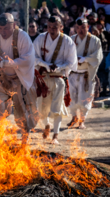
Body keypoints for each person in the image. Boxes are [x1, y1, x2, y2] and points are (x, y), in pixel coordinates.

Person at [0, 13, 38, 144]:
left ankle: (25, 138)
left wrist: (5, 63)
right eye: (0, 28)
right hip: (0, 79)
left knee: (22, 110)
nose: (3, 32)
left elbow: (27, 59)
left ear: (14, 25)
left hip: (19, 79)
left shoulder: (23, 36)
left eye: (6, 28)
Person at [33, 16, 77, 144]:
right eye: (49, 27)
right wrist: (46, 65)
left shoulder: (67, 41)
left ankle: (56, 135)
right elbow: (33, 57)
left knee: (57, 108)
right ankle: (46, 125)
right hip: (43, 79)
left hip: (58, 79)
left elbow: (72, 62)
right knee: (41, 108)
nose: (51, 30)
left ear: (61, 27)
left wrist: (59, 67)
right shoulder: (41, 38)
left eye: (55, 27)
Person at [68, 19, 103, 129]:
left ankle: (82, 121)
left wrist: (85, 59)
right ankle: (74, 117)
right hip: (73, 73)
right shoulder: (71, 39)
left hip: (86, 74)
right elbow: (65, 54)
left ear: (88, 27)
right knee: (71, 97)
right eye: (78, 28)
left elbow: (98, 57)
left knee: (84, 99)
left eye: (83, 27)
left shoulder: (95, 40)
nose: (80, 30)